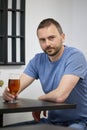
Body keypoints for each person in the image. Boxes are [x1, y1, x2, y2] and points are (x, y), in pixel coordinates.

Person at [3, 18, 87, 130]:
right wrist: (8, 94)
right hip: (51, 122)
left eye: (51, 38)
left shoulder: (75, 56)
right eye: (42, 40)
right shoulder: (37, 60)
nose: (47, 44)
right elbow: (16, 88)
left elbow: (60, 96)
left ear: (63, 37)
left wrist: (40, 100)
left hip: (79, 122)